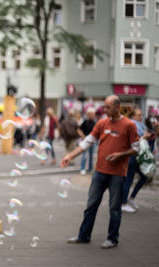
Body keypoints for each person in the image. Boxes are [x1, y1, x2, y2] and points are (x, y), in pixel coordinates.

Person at [61, 95, 139, 249]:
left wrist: (121, 155)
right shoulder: (102, 123)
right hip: (100, 172)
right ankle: (83, 236)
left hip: (117, 174)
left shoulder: (129, 125)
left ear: (117, 107)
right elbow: (87, 142)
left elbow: (137, 148)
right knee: (91, 205)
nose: (104, 110)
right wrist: (70, 155)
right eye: (104, 107)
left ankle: (112, 238)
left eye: (107, 107)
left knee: (114, 208)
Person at [122, 108, 151, 213]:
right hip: (131, 156)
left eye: (141, 115)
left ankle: (131, 199)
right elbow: (136, 140)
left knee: (144, 176)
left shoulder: (140, 124)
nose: (141, 117)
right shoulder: (133, 124)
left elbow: (146, 133)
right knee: (128, 180)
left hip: (137, 156)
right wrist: (144, 136)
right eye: (139, 115)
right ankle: (123, 203)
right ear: (133, 116)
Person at [77, 108, 96, 175]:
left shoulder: (95, 123)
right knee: (84, 155)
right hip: (85, 141)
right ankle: (82, 168)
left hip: (92, 142)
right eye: (90, 114)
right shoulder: (85, 122)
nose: (91, 116)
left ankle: (90, 169)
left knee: (91, 156)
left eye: (92, 114)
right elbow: (78, 129)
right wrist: (82, 136)